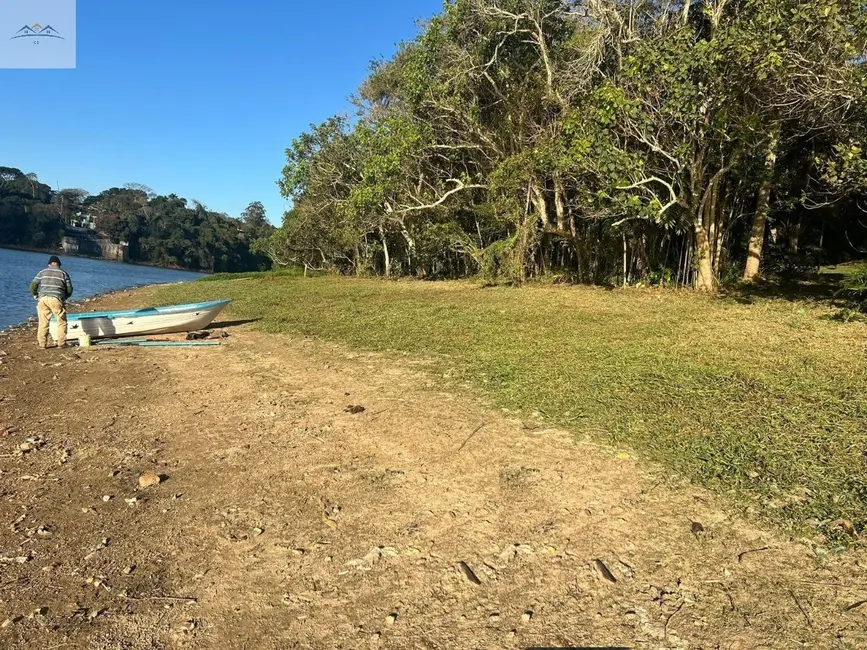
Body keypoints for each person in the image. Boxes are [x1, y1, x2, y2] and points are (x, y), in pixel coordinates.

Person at [29, 255, 74, 349]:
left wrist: (35, 295)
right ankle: (61, 343)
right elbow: (69, 289)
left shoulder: (42, 272)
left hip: (43, 299)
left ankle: (42, 344)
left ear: (49, 264)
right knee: (61, 321)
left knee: (43, 322)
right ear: (59, 264)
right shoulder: (63, 273)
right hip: (56, 299)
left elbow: (33, 286)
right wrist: (65, 297)